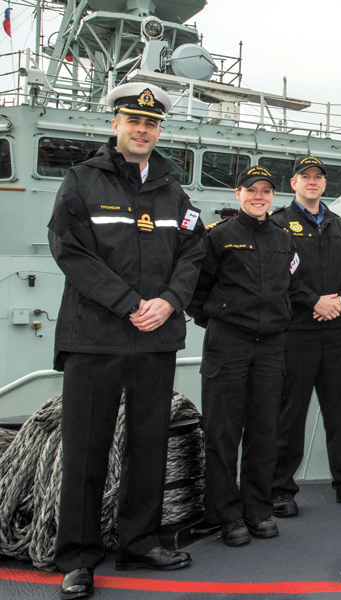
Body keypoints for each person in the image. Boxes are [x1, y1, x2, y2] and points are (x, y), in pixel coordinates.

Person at [48, 82, 202, 599]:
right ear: (115, 124)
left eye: (152, 123)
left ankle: (139, 541)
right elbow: (70, 250)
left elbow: (193, 253)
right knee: (87, 450)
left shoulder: (173, 191)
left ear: (160, 130)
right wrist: (130, 303)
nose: (142, 130)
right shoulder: (81, 181)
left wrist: (168, 302)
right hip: (96, 337)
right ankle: (78, 557)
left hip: (155, 337)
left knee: (149, 445)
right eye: (134, 121)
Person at [187, 166, 300, 546]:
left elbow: (291, 286)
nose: (259, 196)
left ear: (272, 196)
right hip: (228, 344)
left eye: (266, 191)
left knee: (265, 431)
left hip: (271, 346)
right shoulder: (218, 237)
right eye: (252, 190)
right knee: (223, 432)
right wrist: (225, 320)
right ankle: (227, 515)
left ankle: (258, 509)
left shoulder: (284, 239)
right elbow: (196, 291)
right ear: (239, 194)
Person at [269, 156, 341, 515]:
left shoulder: (338, 223)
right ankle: (279, 490)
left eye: (318, 177)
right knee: (289, 414)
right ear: (294, 183)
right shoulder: (278, 225)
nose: (313, 182)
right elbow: (276, 275)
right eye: (306, 177)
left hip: (335, 330)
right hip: (296, 330)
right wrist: (313, 300)